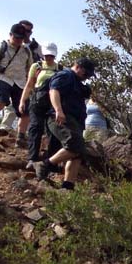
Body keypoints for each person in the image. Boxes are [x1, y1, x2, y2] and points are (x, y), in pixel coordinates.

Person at [36, 57, 96, 190]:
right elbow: (54, 90)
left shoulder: (76, 81)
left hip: (74, 120)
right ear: (78, 67)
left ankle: (68, 185)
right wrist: (58, 110)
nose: (86, 77)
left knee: (78, 152)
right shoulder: (66, 75)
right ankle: (45, 164)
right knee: (74, 144)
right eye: (86, 73)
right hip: (60, 117)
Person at [0, 25, 34, 130]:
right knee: (2, 100)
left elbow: (30, 69)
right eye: (16, 37)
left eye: (21, 38)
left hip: (20, 82)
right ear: (10, 35)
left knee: (24, 111)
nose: (18, 40)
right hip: (4, 78)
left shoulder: (27, 51)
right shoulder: (2, 47)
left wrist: (30, 85)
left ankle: (21, 137)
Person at [19, 42, 61, 168]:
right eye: (47, 55)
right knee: (35, 128)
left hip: (52, 104)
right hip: (37, 101)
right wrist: (22, 101)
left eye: (51, 56)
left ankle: (51, 161)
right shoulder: (36, 66)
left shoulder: (60, 69)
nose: (49, 58)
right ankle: (32, 158)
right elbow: (29, 85)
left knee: (53, 131)